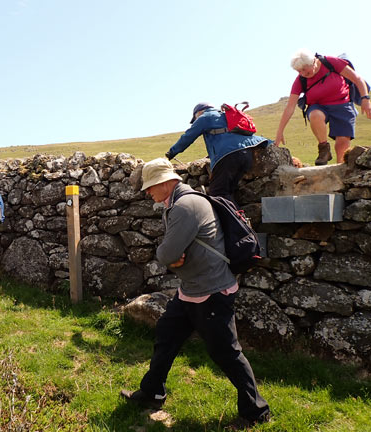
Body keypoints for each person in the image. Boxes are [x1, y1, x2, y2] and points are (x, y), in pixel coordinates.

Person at [120, 158, 270, 427]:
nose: (147, 193)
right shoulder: (181, 203)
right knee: (166, 336)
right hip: (192, 290)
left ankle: (256, 412)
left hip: (212, 291)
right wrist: (173, 255)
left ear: (166, 182)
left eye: (151, 187)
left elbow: (167, 253)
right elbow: (173, 253)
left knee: (227, 352)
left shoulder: (185, 206)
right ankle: (152, 392)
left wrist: (169, 255)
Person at [275, 49, 371, 165]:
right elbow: (290, 107)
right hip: (319, 106)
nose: (302, 74)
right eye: (299, 71)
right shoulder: (300, 80)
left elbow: (357, 79)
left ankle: (340, 173)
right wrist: (280, 132)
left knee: (342, 146)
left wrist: (365, 99)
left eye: (305, 69)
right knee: (315, 115)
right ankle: (324, 148)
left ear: (314, 62)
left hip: (342, 104)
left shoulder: (331, 62)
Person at [165, 103, 270, 205]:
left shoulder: (205, 117)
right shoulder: (225, 115)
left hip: (229, 156)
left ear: (199, 112)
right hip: (247, 155)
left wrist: (170, 153)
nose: (195, 121)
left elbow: (187, 137)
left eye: (195, 118)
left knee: (217, 192)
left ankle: (238, 221)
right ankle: (240, 219)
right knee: (227, 192)